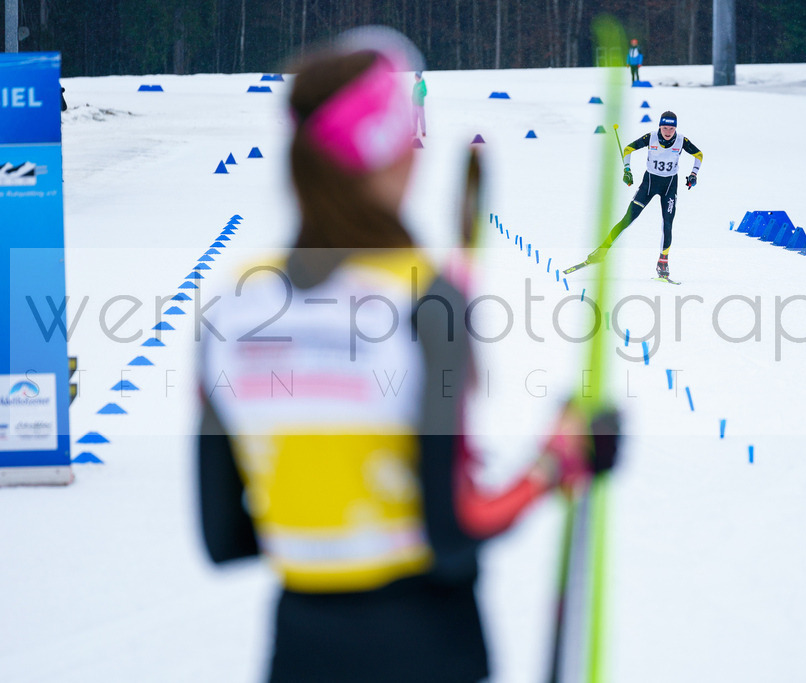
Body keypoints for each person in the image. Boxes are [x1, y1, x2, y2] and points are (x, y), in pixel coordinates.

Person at [196, 28, 619, 683]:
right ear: (395, 155)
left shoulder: (232, 309)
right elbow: (455, 528)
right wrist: (557, 459)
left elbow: (225, 535)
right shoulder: (424, 303)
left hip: (301, 647)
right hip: (427, 644)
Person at [571, 111, 702, 281]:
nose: (668, 132)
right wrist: (627, 170)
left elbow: (698, 155)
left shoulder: (681, 140)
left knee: (668, 224)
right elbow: (628, 149)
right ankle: (600, 252)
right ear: (659, 127)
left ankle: (663, 262)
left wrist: (694, 174)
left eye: (671, 128)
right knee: (627, 219)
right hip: (649, 184)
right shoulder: (651, 137)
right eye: (664, 128)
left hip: (670, 186)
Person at [412, 70, 427, 136]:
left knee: (421, 119)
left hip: (420, 105)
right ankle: (414, 131)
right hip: (414, 105)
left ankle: (423, 131)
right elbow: (414, 93)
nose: (415, 77)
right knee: (414, 119)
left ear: (418, 77)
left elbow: (425, 92)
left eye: (415, 76)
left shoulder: (422, 84)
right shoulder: (415, 84)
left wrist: (420, 97)